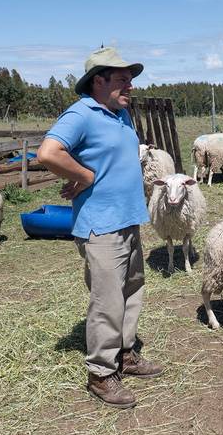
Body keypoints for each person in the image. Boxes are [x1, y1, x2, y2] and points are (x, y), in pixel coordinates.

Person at [37, 47, 163, 409]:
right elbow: (48, 153)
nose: (131, 86)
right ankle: (101, 374)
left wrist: (86, 171)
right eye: (123, 79)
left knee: (131, 290)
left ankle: (124, 354)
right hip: (101, 225)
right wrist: (84, 175)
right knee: (107, 300)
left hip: (127, 219)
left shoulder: (120, 115)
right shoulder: (81, 114)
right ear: (99, 81)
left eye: (131, 79)